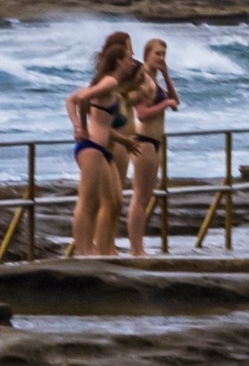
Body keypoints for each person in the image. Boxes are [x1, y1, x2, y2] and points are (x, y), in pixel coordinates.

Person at [66, 32, 140, 256]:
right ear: (118, 61)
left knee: (114, 200)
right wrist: (80, 127)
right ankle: (84, 250)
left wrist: (123, 140)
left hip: (101, 148)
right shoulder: (110, 81)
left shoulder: (109, 84)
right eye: (128, 57)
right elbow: (79, 98)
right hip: (91, 148)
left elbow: (101, 121)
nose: (132, 61)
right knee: (87, 202)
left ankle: (103, 249)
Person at [126, 38, 180, 256]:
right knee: (139, 197)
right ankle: (135, 248)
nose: (161, 58)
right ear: (146, 54)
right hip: (144, 140)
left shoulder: (156, 80)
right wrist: (165, 104)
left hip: (156, 142)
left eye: (164, 54)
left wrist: (166, 75)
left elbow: (176, 102)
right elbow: (142, 113)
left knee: (147, 197)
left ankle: (139, 246)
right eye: (157, 54)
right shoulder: (142, 78)